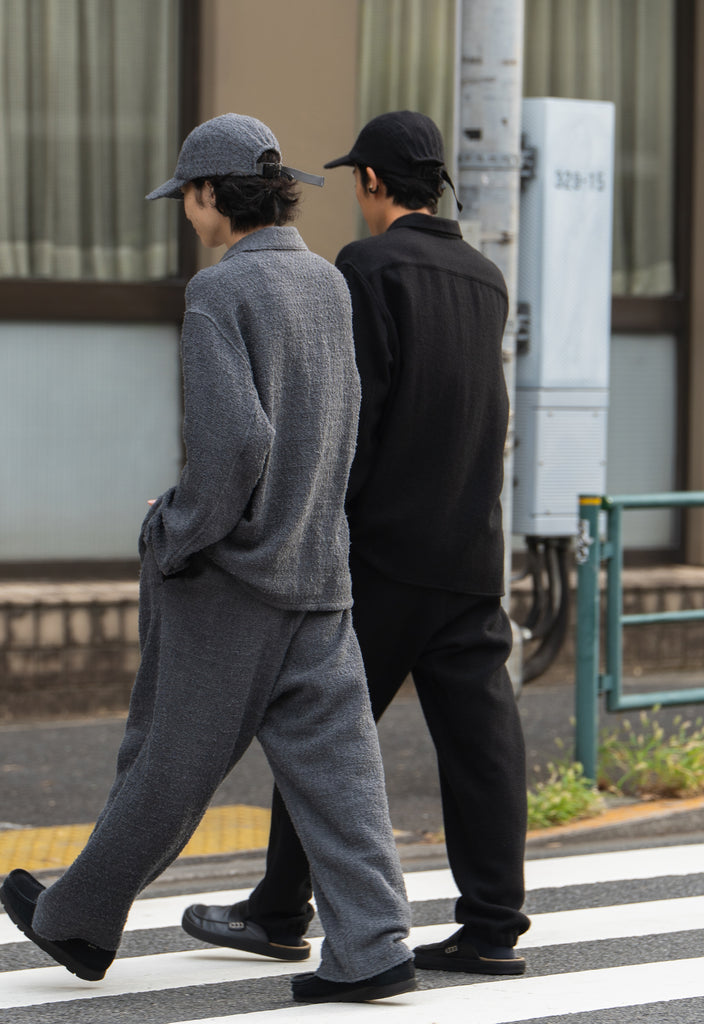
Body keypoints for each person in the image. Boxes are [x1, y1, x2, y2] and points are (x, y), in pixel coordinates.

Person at [0, 112, 416, 1005]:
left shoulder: (218, 293)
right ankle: (374, 944)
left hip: (233, 578)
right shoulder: (326, 281)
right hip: (317, 568)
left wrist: (174, 531)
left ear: (207, 193)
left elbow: (233, 449)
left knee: (167, 763)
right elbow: (339, 427)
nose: (186, 215)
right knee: (340, 772)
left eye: (185, 198)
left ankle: (77, 922)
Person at [185, 110, 531, 976]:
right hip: (471, 548)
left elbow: (355, 414)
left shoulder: (367, 267)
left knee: (317, 730)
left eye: (357, 180)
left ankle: (279, 910)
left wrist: (320, 524)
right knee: (482, 745)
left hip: (380, 552)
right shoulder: (486, 276)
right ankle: (493, 927)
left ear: (372, 181)